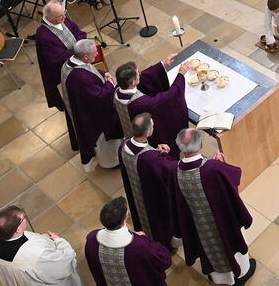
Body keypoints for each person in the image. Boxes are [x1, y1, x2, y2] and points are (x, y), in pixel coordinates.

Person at [172, 128, 256, 285]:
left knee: (209, 250)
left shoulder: (174, 171)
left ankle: (218, 277)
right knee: (231, 246)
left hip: (200, 228)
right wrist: (219, 165)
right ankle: (241, 275)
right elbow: (235, 177)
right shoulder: (212, 168)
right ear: (201, 145)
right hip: (223, 222)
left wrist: (213, 165)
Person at [61, 39, 123, 172]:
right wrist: (110, 84)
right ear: (85, 56)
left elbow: (91, 70)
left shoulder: (71, 62)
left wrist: (104, 74)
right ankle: (112, 162)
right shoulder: (80, 78)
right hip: (93, 116)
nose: (97, 54)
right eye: (94, 52)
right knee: (106, 142)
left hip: (84, 106)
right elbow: (100, 98)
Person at [117, 113, 179, 244]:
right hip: (150, 197)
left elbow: (140, 162)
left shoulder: (123, 146)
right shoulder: (151, 159)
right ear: (148, 133)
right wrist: (164, 156)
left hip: (136, 192)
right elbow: (169, 173)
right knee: (158, 221)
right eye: (153, 126)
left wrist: (155, 152)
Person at [0, 205, 81, 285]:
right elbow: (64, 262)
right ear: (18, 229)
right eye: (23, 217)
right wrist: (58, 240)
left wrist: (41, 237)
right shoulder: (36, 257)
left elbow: (22, 239)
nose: (26, 218)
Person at [85, 197, 172, 286]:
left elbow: (93, 267)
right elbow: (165, 260)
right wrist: (141, 239)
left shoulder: (91, 239)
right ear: (124, 222)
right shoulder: (141, 247)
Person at [113, 57, 189, 154]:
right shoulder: (142, 103)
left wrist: (161, 65)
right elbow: (168, 97)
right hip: (143, 135)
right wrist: (181, 75)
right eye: (138, 73)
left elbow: (144, 75)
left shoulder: (117, 89)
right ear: (132, 82)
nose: (140, 73)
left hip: (128, 128)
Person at [35, 1, 86, 112]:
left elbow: (77, 31)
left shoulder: (62, 18)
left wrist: (80, 43)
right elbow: (54, 59)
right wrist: (76, 50)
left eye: (64, 13)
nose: (65, 18)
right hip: (63, 71)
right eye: (60, 16)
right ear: (50, 18)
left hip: (78, 59)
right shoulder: (42, 35)